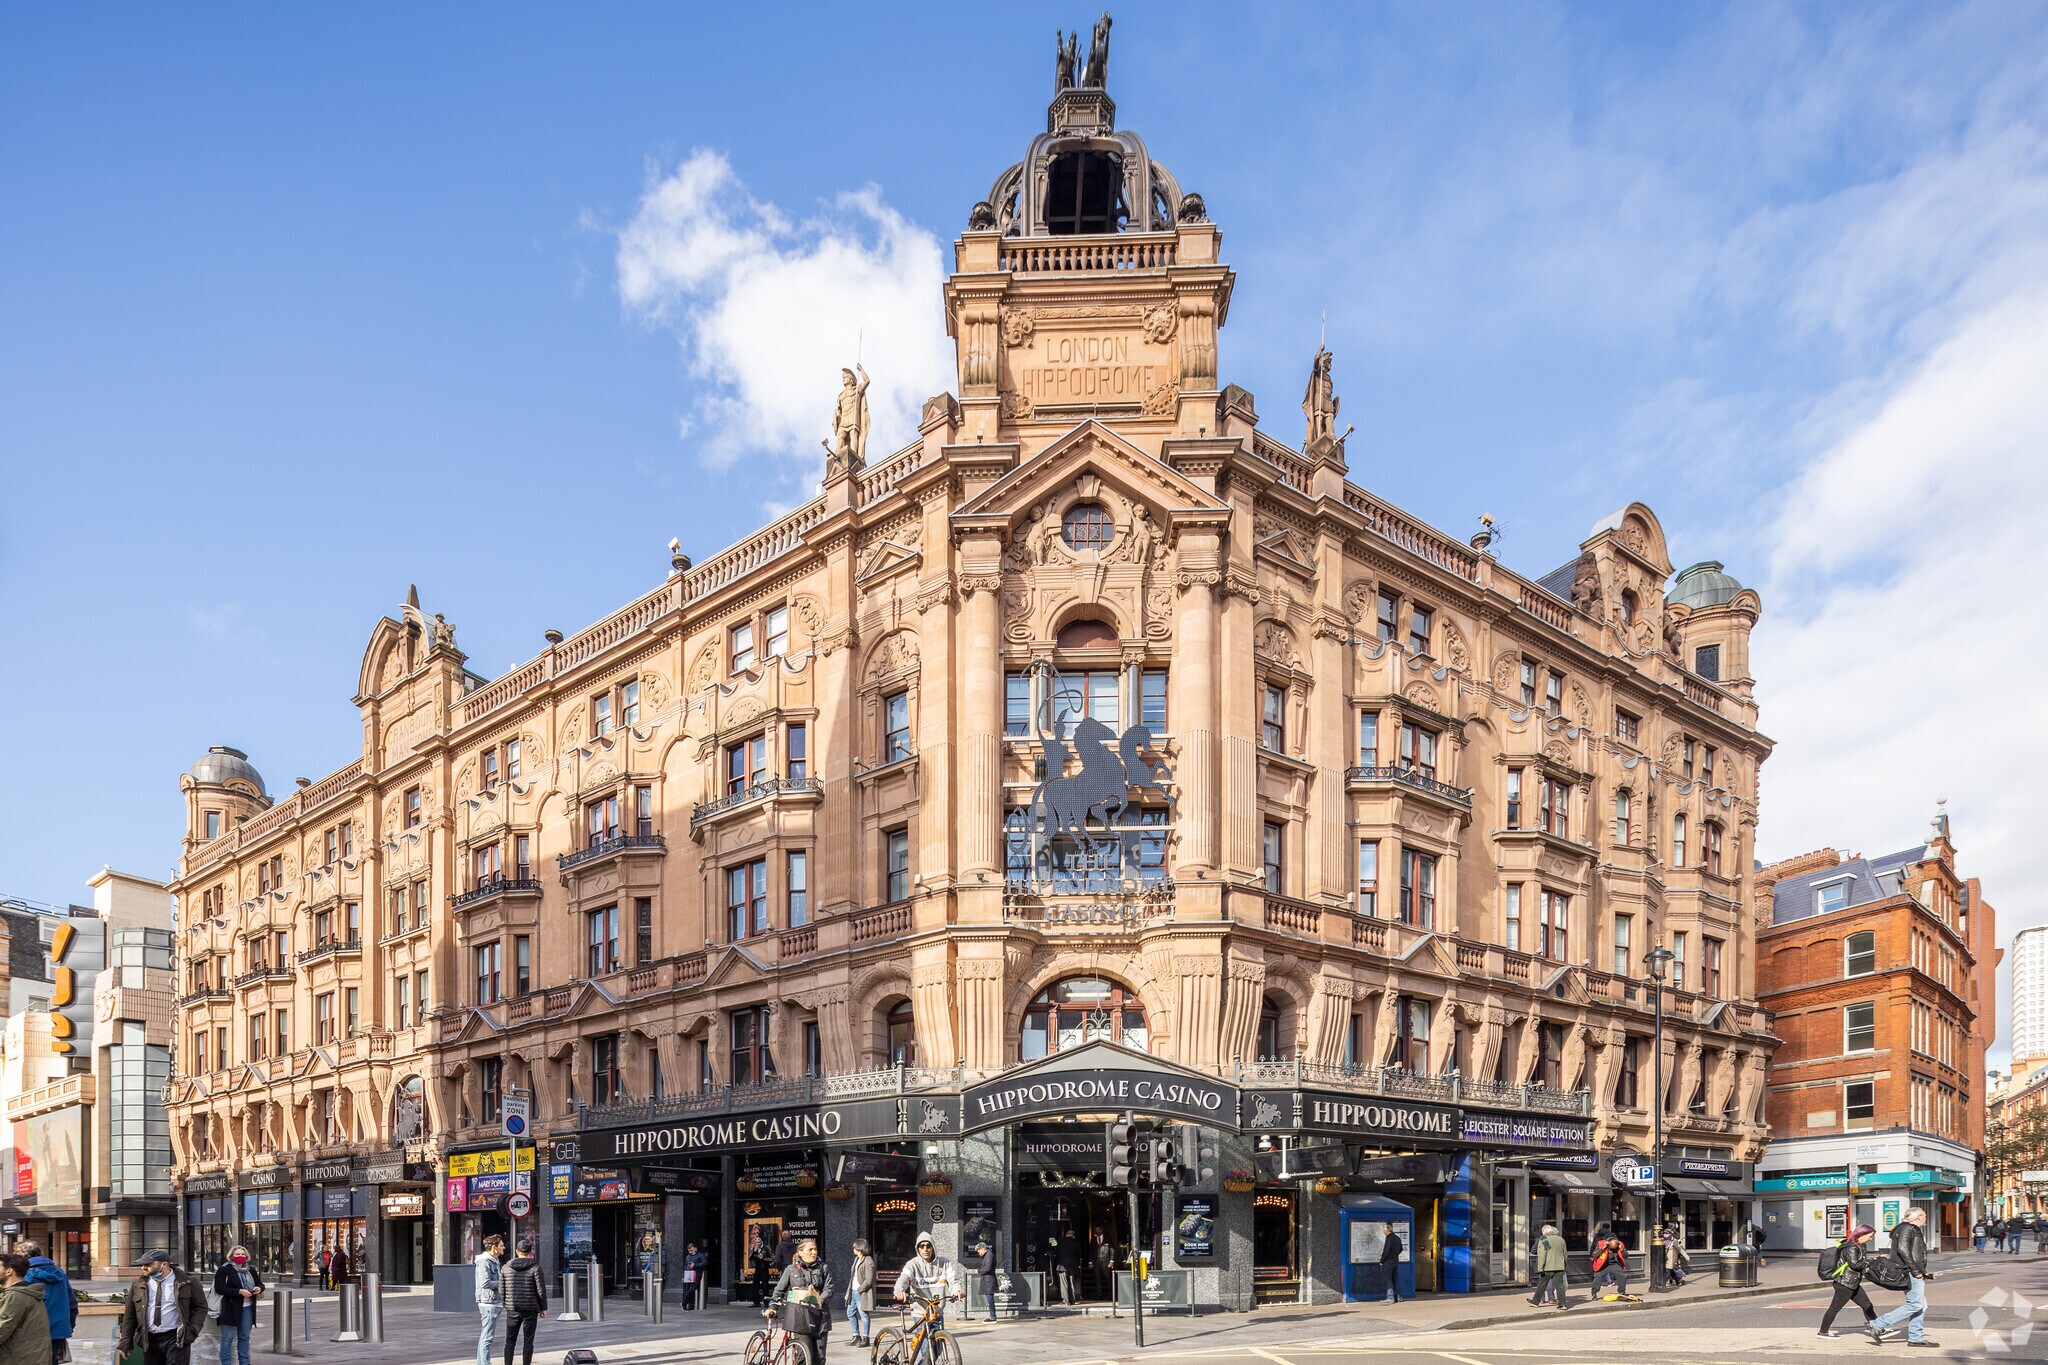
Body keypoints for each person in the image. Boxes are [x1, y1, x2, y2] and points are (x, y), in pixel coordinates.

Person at [117, 1249, 208, 1365]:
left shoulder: (187, 1282)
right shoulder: (138, 1284)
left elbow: (201, 1307)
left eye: (148, 1264)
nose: (143, 1267)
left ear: (163, 1264)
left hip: (176, 1338)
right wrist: (126, 1341)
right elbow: (130, 1315)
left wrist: (192, 1330)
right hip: (149, 1339)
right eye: (142, 1264)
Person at [1867, 1207, 1936, 1348]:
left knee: (1921, 1305)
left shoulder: (1909, 1229)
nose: (1925, 1218)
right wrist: (1915, 1270)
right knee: (1915, 1304)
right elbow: (1903, 1249)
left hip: (1912, 1271)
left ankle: (1916, 1337)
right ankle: (1877, 1324)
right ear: (1918, 1217)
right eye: (1924, 1215)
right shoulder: (1907, 1229)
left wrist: (1922, 1271)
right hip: (1909, 1271)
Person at [770, 1239, 838, 1365]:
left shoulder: (823, 1268)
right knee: (803, 1357)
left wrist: (819, 1299)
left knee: (820, 1358)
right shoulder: (791, 1270)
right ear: (800, 1252)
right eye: (810, 1249)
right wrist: (773, 1306)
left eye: (815, 1249)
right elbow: (779, 1290)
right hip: (800, 1318)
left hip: (820, 1317)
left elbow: (829, 1288)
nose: (813, 1252)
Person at [1817, 1223, 1881, 1340]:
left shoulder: (1859, 1246)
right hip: (1845, 1283)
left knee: (1867, 1305)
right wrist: (1871, 1262)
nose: (1870, 1239)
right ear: (1862, 1234)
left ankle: (1878, 1327)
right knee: (1835, 1308)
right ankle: (1823, 1332)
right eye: (1870, 1236)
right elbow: (1855, 1264)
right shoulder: (1851, 1247)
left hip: (1852, 1282)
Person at [20, 1243, 75, 1365]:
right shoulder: (60, 1273)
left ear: (23, 1256)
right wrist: (69, 1325)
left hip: (33, 1329)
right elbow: (72, 1303)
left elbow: (22, 1303)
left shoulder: (25, 1274)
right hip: (58, 1328)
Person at [893, 1233, 964, 1324]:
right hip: (920, 1313)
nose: (925, 1249)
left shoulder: (944, 1263)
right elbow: (904, 1278)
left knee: (939, 1338)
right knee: (925, 1338)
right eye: (922, 1246)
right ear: (918, 1249)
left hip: (937, 1311)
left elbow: (952, 1279)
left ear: (933, 1247)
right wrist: (899, 1290)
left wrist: (957, 1291)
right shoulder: (912, 1264)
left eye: (928, 1246)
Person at [212, 1245, 266, 1365]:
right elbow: (219, 1288)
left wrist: (259, 1288)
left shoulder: (251, 1270)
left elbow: (260, 1284)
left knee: (244, 1337)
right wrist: (239, 1292)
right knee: (228, 1338)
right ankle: (226, 1362)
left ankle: (244, 1362)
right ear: (231, 1256)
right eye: (237, 1254)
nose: (240, 1256)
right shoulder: (224, 1269)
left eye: (243, 1254)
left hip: (247, 1308)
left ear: (246, 1256)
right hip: (230, 1308)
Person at [0, 1254, 53, 1365]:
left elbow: (2, 1329)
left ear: (9, 1271)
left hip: (18, 1358)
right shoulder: (24, 1292)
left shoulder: (15, 1296)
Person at [501, 1236, 546, 1365]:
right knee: (528, 1341)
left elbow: (501, 1289)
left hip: (513, 1308)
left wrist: (506, 1304)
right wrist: (543, 1308)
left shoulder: (506, 1267)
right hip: (530, 1309)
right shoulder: (535, 1267)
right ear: (531, 1251)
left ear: (517, 1251)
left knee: (510, 1340)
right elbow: (541, 1290)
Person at [473, 1233, 507, 1365]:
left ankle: (481, 1362)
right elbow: (485, 1283)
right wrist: (503, 1283)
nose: (503, 1247)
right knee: (487, 1337)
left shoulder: (494, 1261)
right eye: (501, 1245)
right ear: (494, 1247)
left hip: (493, 1302)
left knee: (486, 1336)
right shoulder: (484, 1262)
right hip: (489, 1303)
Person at [1529, 1223, 1568, 1310]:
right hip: (1559, 1266)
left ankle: (1535, 1302)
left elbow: (1542, 1254)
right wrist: (1564, 1265)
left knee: (1542, 1284)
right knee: (1559, 1285)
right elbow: (1565, 1254)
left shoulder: (1543, 1239)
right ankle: (1562, 1304)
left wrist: (1540, 1268)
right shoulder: (1561, 1239)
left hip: (1548, 1267)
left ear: (1544, 1231)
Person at [846, 1239, 876, 1347]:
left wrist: (859, 1289)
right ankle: (856, 1336)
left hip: (861, 1292)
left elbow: (869, 1280)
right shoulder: (856, 1260)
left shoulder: (868, 1261)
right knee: (850, 1313)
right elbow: (852, 1277)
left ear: (860, 1248)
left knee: (864, 1315)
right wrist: (848, 1291)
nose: (853, 1249)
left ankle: (865, 1338)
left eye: (855, 1247)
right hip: (853, 1291)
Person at [1590, 1224, 1628, 1298]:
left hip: (1614, 1264)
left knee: (1622, 1276)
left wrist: (1622, 1250)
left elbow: (1626, 1256)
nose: (1611, 1251)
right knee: (1597, 1278)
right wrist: (1602, 1249)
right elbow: (1594, 1254)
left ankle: (1622, 1291)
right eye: (1610, 1249)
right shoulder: (1601, 1244)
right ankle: (1594, 1293)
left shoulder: (1620, 1245)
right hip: (1603, 1264)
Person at [747, 1233, 778, 1306]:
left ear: (761, 1242)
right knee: (755, 1285)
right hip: (757, 1269)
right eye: (756, 1242)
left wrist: (763, 1258)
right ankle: (756, 1302)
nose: (757, 1243)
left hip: (764, 1268)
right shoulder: (755, 1249)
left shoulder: (766, 1248)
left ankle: (766, 1302)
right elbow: (750, 1258)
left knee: (765, 1286)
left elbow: (771, 1258)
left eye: (758, 1242)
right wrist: (753, 1251)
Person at [972, 1240, 998, 1321]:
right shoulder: (987, 1255)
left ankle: (993, 1316)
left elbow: (987, 1268)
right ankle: (992, 1315)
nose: (978, 1253)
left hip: (989, 1281)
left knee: (990, 1298)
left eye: (979, 1251)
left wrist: (978, 1271)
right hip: (988, 1280)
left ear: (983, 1249)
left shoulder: (989, 1255)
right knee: (989, 1298)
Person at [679, 1242, 708, 1311]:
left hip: (697, 1274)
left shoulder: (700, 1255)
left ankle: (684, 1302)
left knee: (692, 1289)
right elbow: (685, 1266)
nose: (691, 1252)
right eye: (689, 1251)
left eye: (692, 1250)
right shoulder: (688, 1256)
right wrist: (683, 1276)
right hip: (688, 1275)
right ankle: (691, 1306)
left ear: (695, 1249)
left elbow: (705, 1263)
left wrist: (694, 1265)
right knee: (688, 1290)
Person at [1051, 1235, 1079, 1306]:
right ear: (1073, 1236)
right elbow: (1078, 1255)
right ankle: (1072, 1300)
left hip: (1062, 1266)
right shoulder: (1076, 1243)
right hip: (1072, 1267)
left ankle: (1065, 1301)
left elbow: (1053, 1246)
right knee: (1072, 1284)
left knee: (1064, 1284)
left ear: (1066, 1235)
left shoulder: (1060, 1241)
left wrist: (1051, 1237)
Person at [1379, 1225, 1404, 1304]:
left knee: (1388, 1280)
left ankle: (1390, 1297)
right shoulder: (1397, 1238)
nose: (1384, 1232)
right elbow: (1401, 1249)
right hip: (1395, 1261)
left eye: (1384, 1231)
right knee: (1395, 1279)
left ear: (1387, 1231)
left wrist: (1381, 1261)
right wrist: (1395, 1255)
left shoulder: (1389, 1239)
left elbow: (1386, 1251)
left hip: (1388, 1262)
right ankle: (1399, 1297)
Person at [1663, 1220, 1691, 1288]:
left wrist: (1686, 1257)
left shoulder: (1674, 1241)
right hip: (1665, 1257)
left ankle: (1662, 1284)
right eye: (1664, 1233)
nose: (1665, 1235)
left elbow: (1680, 1249)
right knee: (1671, 1270)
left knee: (1668, 1270)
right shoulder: (1663, 1240)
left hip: (1671, 1258)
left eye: (1667, 1233)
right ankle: (1678, 1281)